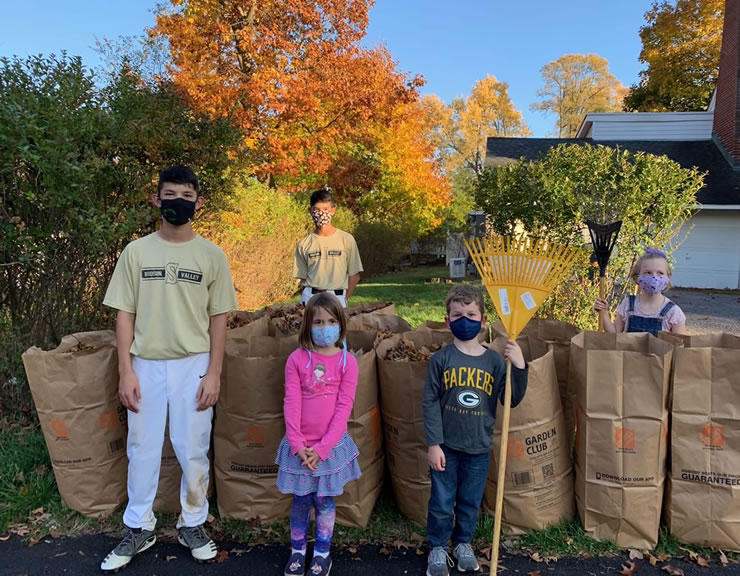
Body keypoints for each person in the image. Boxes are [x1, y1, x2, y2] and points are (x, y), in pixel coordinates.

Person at [100, 165, 238, 572]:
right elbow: (123, 314)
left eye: (186, 194)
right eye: (170, 193)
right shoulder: (136, 252)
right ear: (156, 199)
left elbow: (219, 319)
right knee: (141, 448)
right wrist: (126, 371)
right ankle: (139, 527)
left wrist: (213, 372)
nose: (178, 201)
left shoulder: (211, 255)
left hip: (193, 365)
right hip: (145, 363)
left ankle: (192, 523)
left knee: (192, 448)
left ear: (198, 202)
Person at [423, 285, 528, 576]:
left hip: (479, 447)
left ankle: (463, 543)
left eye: (471, 314)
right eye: (458, 315)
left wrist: (519, 366)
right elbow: (429, 402)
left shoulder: (494, 361)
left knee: (470, 501)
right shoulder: (440, 360)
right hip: (446, 447)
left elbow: (511, 398)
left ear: (482, 320)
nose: (464, 319)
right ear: (447, 321)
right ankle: (438, 547)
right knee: (442, 502)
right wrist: (434, 444)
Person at [276, 292, 361, 576]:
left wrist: (323, 449)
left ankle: (322, 553)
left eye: (330, 321)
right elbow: (291, 401)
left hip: (329, 448)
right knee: (300, 500)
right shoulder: (297, 359)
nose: (325, 327)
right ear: (307, 326)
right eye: (318, 322)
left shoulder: (347, 362)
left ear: (340, 324)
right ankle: (297, 550)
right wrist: (297, 443)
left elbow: (344, 407)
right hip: (298, 446)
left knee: (324, 501)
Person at [293, 187, 363, 307]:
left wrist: (343, 298)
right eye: (317, 210)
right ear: (310, 211)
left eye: (325, 209)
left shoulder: (346, 240)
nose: (321, 214)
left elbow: (355, 275)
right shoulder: (303, 244)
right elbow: (302, 278)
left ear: (333, 210)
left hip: (337, 297)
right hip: (310, 297)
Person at [594, 248, 687, 336]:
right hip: (629, 353)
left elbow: (679, 346)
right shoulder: (627, 305)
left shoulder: (673, 313)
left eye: (660, 273)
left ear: (668, 277)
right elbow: (614, 335)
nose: (654, 277)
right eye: (648, 273)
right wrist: (604, 312)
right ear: (637, 277)